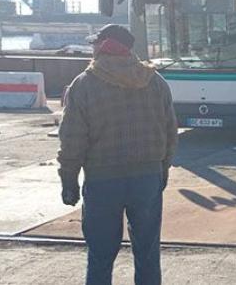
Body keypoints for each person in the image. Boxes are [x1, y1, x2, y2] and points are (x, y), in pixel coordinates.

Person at [58, 24, 177, 285]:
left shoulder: (85, 84)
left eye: (95, 44)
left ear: (104, 46)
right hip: (147, 179)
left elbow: (72, 139)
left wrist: (69, 180)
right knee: (147, 253)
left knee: (101, 255)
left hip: (103, 182)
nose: (92, 48)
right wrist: (163, 169)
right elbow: (170, 132)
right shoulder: (155, 82)